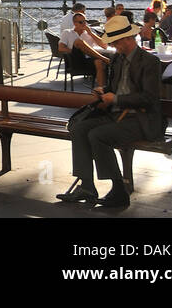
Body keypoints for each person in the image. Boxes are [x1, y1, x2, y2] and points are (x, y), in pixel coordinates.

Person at [58, 15, 164, 209]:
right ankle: (87, 186)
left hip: (140, 118)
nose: (113, 45)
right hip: (116, 114)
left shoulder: (150, 61)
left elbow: (149, 98)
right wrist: (104, 91)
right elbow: (115, 88)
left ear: (128, 39)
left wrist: (115, 99)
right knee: (79, 129)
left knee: (98, 135)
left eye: (115, 41)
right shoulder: (117, 59)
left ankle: (118, 189)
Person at [58, 11, 111, 86]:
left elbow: (104, 46)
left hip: (89, 58)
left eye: (85, 21)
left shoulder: (90, 32)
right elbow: (61, 48)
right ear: (74, 23)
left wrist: (91, 33)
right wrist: (78, 51)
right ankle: (105, 59)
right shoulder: (67, 32)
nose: (84, 24)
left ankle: (101, 88)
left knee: (99, 62)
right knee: (79, 42)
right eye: (81, 22)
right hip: (75, 59)